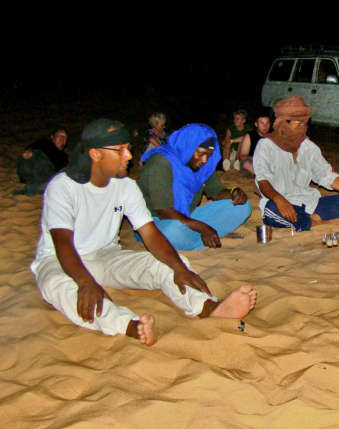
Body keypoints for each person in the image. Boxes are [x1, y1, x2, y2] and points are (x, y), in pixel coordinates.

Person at [30, 119, 257, 346]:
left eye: (128, 148)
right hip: (60, 259)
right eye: (120, 150)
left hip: (105, 255)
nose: (128, 156)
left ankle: (209, 307)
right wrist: (85, 282)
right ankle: (130, 325)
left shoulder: (126, 186)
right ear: (95, 154)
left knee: (168, 265)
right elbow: (62, 244)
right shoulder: (64, 187)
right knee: (58, 287)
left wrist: (178, 268)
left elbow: (151, 234)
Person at [253, 96, 339, 232]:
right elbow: (262, 181)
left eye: (305, 125)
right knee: (271, 210)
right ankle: (317, 222)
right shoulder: (266, 145)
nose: (303, 129)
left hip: (310, 203)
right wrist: (279, 199)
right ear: (283, 124)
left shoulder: (309, 148)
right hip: (280, 203)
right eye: (298, 125)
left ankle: (312, 218)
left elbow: (328, 177)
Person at [138, 123, 252, 251]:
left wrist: (234, 192)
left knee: (243, 206)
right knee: (173, 231)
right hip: (157, 222)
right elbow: (164, 211)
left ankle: (197, 237)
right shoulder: (160, 163)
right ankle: (203, 237)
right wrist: (202, 227)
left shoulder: (203, 164)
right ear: (188, 147)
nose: (204, 160)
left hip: (188, 215)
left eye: (208, 155)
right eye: (201, 154)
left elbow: (216, 192)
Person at [15, 126, 69, 196]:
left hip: (45, 176)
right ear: (52, 137)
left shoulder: (64, 156)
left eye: (65, 138)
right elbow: (33, 146)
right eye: (60, 135)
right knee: (39, 155)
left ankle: (36, 186)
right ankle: (37, 186)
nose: (62, 139)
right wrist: (29, 151)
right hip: (32, 169)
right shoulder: (44, 143)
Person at [237, 110, 272, 178]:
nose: (265, 126)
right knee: (246, 164)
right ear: (256, 124)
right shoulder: (250, 136)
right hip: (253, 162)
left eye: (267, 123)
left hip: (269, 163)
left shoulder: (273, 136)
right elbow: (242, 156)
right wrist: (259, 159)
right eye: (262, 123)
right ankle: (264, 177)